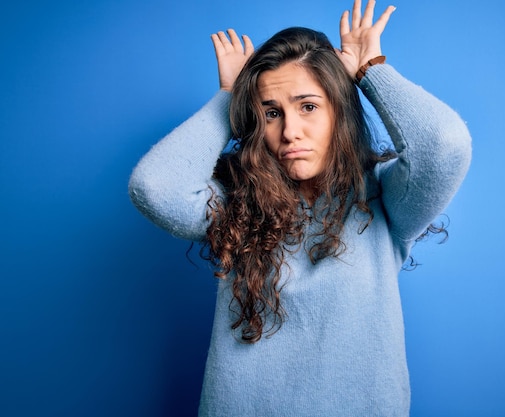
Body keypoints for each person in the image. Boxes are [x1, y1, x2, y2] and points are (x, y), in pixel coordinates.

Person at [129, 0, 471, 415]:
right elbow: (154, 188)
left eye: (308, 106)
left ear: (338, 111)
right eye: (271, 113)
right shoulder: (237, 204)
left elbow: (444, 145)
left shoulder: (385, 200)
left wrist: (371, 72)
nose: (290, 131)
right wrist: (231, 97)